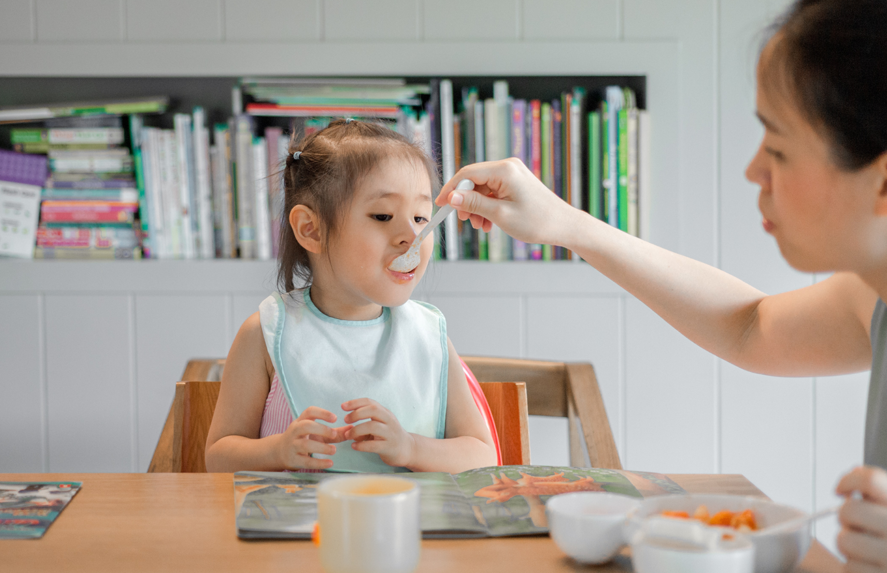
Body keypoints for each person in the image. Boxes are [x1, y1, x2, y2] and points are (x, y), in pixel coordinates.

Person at [436, 0, 887, 569]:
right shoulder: (874, 298)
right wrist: (566, 224)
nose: (754, 170)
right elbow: (751, 325)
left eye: (777, 148)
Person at [205, 119, 496, 474]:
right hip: (299, 528)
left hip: (411, 527)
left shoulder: (429, 335)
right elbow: (218, 457)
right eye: (383, 215)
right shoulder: (265, 334)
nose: (412, 236)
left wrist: (410, 448)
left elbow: (482, 456)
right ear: (311, 230)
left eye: (421, 217)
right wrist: (277, 451)